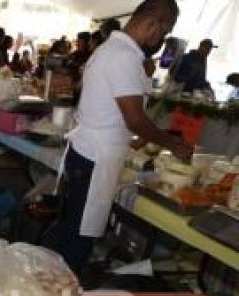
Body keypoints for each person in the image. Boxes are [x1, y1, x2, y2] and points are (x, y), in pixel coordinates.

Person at [49, 0, 193, 272]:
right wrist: (173, 145)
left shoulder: (115, 50)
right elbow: (134, 119)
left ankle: (62, 283)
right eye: (164, 33)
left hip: (90, 153)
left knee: (74, 232)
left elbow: (117, 111)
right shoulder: (122, 55)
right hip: (94, 158)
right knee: (77, 240)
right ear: (154, 25)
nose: (161, 41)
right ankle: (63, 290)